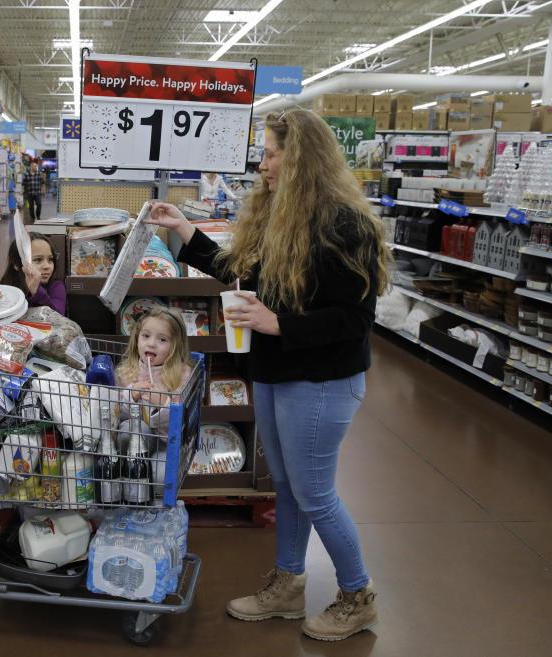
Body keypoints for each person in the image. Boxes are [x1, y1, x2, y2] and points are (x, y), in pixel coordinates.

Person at [145, 109, 391, 642]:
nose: (263, 164)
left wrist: (277, 322)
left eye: (273, 153)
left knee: (314, 492)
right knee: (285, 486)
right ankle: (288, 586)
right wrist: (185, 230)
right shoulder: (282, 214)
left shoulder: (344, 224)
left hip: (323, 380)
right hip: (279, 372)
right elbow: (240, 272)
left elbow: (354, 319)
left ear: (302, 159)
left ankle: (358, 595)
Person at [115, 308, 193, 443]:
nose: (151, 344)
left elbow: (181, 420)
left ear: (175, 347)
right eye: (146, 336)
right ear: (137, 339)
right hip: (131, 442)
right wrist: (131, 396)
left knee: (163, 464)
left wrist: (164, 403)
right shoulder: (125, 372)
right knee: (131, 429)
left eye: (162, 339)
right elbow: (117, 414)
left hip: (166, 443)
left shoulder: (181, 375)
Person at [0, 232, 66, 314]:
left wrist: (36, 291)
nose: (47, 266)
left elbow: (57, 316)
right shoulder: (6, 289)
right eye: (38, 260)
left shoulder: (56, 287)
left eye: (50, 259)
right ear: (16, 264)